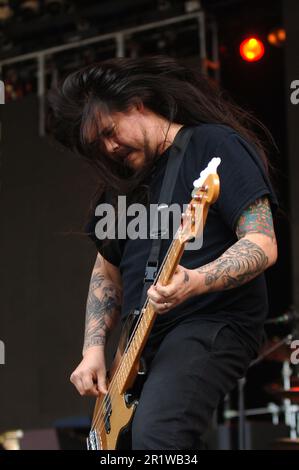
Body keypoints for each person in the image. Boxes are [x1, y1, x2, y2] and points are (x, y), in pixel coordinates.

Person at [48, 56, 278, 450]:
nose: (109, 147)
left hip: (210, 321)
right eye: (97, 144)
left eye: (109, 131)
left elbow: (262, 243)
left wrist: (195, 280)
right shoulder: (122, 185)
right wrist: (92, 350)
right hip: (139, 344)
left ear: (137, 103)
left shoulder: (213, 146)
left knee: (159, 438)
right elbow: (106, 270)